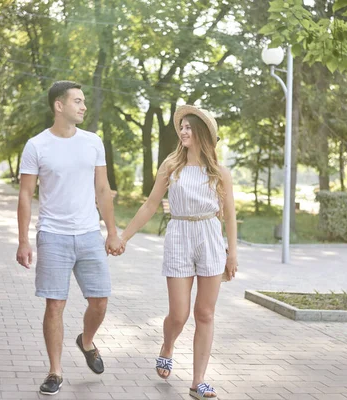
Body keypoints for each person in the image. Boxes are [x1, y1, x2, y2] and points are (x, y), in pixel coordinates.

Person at [118, 105, 238, 400]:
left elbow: (230, 215)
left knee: (205, 313)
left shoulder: (221, 173)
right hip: (179, 236)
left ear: (203, 133)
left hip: (210, 237)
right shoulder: (171, 166)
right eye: (181, 127)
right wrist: (124, 237)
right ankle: (167, 345)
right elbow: (149, 205)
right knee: (180, 313)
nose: (183, 131)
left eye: (188, 127)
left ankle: (198, 382)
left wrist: (232, 252)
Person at [16, 80, 123, 396]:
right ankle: (55, 371)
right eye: (77, 101)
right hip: (53, 236)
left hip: (90, 234)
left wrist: (112, 232)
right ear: (59, 105)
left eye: (84, 101)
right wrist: (23, 240)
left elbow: (102, 191)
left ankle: (87, 340)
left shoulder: (93, 142)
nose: (84, 106)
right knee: (54, 306)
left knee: (100, 301)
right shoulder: (37, 146)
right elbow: (25, 195)